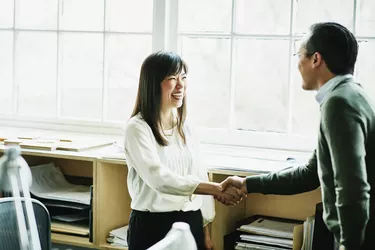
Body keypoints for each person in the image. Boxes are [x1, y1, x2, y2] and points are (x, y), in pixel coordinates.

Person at [219, 22, 375, 250]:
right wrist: (247, 183)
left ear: (316, 59)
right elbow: (311, 174)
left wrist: (349, 245)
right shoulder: (353, 94)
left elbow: (352, 188)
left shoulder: (338, 104)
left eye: (299, 55)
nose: (298, 63)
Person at [124, 51, 244, 250]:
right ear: (152, 84)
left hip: (192, 222)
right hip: (152, 226)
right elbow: (159, 179)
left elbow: (199, 174)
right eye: (172, 78)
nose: (180, 85)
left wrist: (206, 232)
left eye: (184, 77)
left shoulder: (187, 127)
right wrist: (215, 189)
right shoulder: (137, 128)